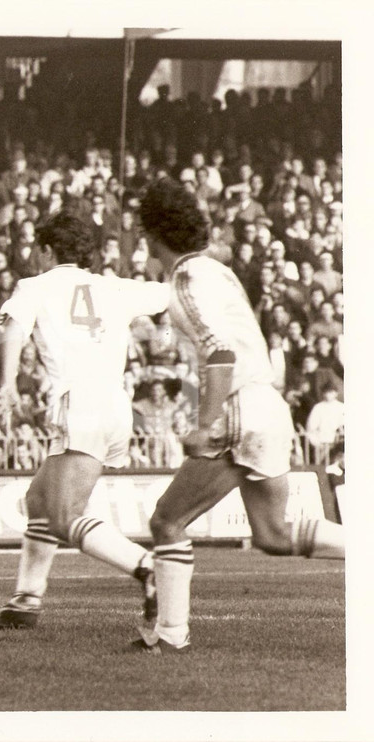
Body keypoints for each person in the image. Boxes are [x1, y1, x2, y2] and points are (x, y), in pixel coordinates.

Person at [133, 178, 344, 654]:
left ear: (153, 234)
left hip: (240, 408)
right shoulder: (217, 271)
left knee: (167, 521)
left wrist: (204, 425)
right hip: (269, 405)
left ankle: (170, 635)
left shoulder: (184, 279)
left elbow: (221, 351)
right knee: (273, 534)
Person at [0, 212, 168, 631]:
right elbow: (170, 296)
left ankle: (148, 567)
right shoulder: (115, 286)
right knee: (40, 502)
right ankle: (25, 600)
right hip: (116, 405)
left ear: (46, 250)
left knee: (63, 515)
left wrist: (7, 383)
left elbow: (13, 331)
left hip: (78, 401)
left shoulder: (35, 286)